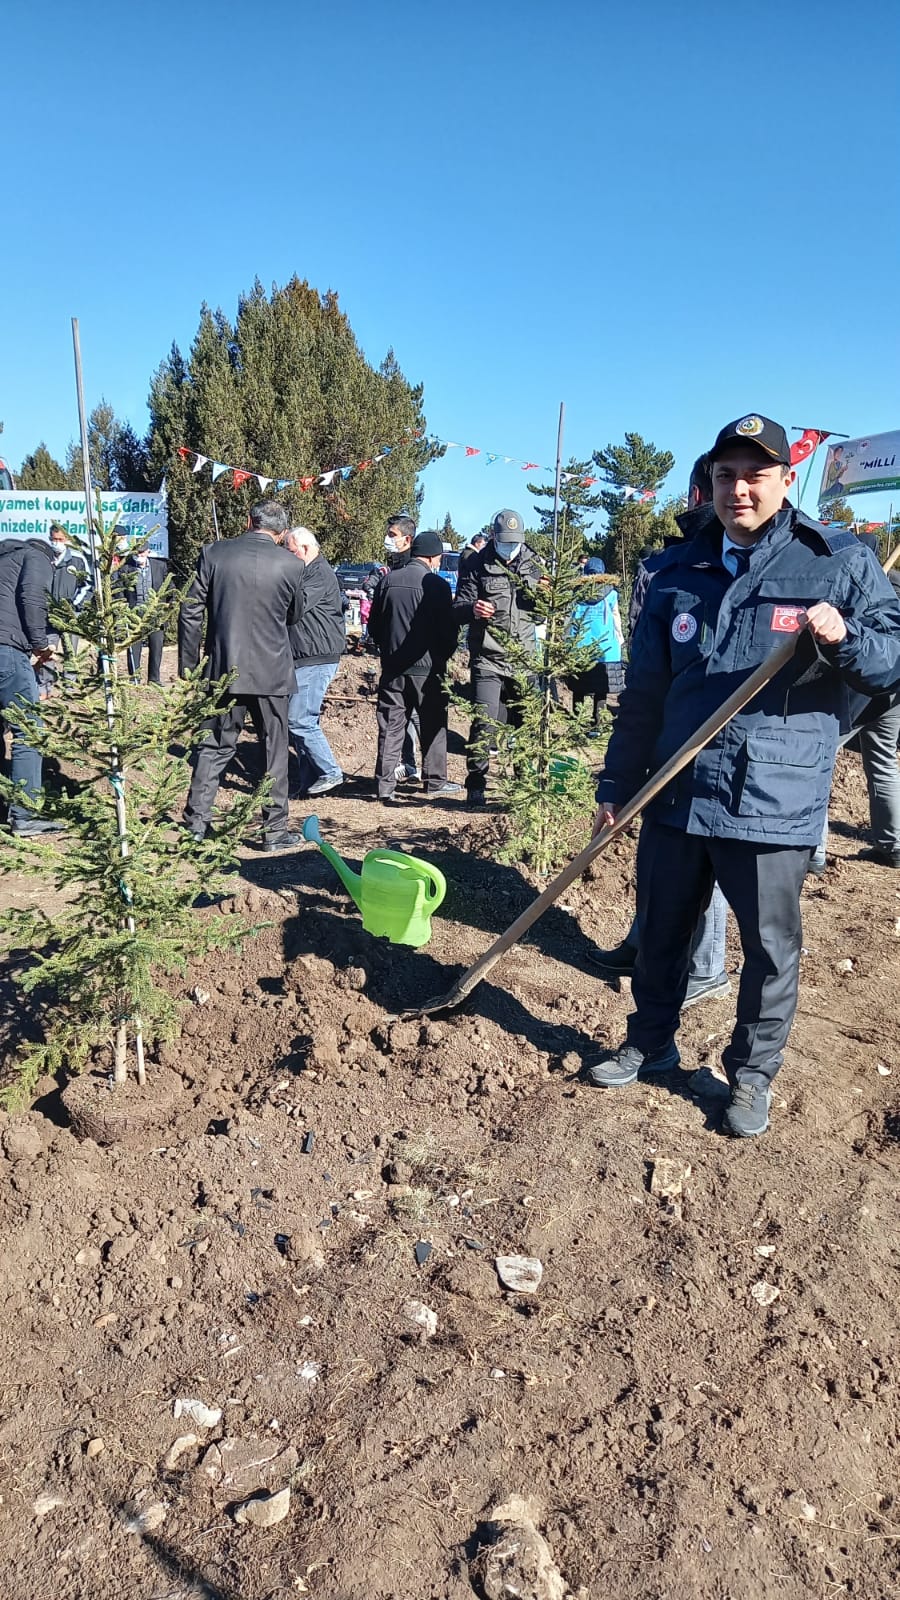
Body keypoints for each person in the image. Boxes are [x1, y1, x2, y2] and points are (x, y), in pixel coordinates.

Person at [586, 413, 900, 1139]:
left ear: (786, 481)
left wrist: (845, 636)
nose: (739, 490)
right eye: (726, 475)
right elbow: (644, 695)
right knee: (662, 930)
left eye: (755, 474)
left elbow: (890, 660)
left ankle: (750, 1075)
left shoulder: (839, 561)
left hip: (772, 797)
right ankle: (651, 1041)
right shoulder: (674, 569)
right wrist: (616, 785)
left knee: (768, 949)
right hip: (675, 786)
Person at [589, 454, 732, 1007]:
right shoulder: (667, 564)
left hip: (707, 735)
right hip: (660, 721)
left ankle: (706, 966)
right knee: (659, 847)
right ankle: (644, 943)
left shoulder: (721, 565)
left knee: (707, 848)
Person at [178, 500, 305, 851]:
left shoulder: (214, 554)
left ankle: (195, 825)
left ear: (248, 520)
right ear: (281, 534)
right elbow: (295, 615)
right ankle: (274, 831)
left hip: (223, 669)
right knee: (274, 751)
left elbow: (189, 612)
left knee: (213, 747)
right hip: (273, 672)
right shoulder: (292, 565)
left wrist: (190, 666)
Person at [811, 531, 900, 870]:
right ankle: (893, 844)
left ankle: (813, 853)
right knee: (883, 761)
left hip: (860, 693)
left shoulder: (854, 587)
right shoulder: (889, 582)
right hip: (893, 693)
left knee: (817, 756)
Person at [453, 508, 545, 807]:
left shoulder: (533, 565)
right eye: (505, 541)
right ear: (494, 537)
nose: (510, 547)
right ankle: (476, 784)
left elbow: (543, 613)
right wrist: (473, 610)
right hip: (488, 659)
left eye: (515, 542)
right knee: (484, 722)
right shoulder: (476, 564)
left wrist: (544, 596)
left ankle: (523, 786)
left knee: (524, 725)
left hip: (524, 660)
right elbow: (459, 607)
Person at [367, 529, 462, 804]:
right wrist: (443, 658)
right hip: (428, 670)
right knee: (433, 725)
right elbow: (448, 631)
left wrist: (388, 651)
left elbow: (374, 625)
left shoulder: (388, 580)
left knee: (391, 726)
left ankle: (384, 785)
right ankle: (434, 781)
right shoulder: (438, 586)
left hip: (393, 668)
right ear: (435, 556)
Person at [0, 537, 64, 836]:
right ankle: (24, 813)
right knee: (30, 730)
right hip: (6, 651)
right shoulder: (36, 558)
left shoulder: (6, 560)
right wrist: (41, 645)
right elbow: (32, 598)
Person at [284, 527, 345, 798]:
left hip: (316, 656)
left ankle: (330, 771)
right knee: (299, 722)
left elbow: (295, 606)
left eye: (291, 551)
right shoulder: (309, 572)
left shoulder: (318, 573)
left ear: (306, 549)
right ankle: (307, 783)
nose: (287, 557)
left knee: (298, 719)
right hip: (303, 657)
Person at [381, 512, 421, 782]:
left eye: (392, 536)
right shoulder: (392, 566)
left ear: (407, 540)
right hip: (392, 652)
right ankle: (405, 762)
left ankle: (412, 763)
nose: (387, 540)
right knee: (400, 715)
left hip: (413, 656)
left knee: (411, 714)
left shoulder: (412, 569)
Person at [566, 558, 624, 728]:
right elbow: (616, 621)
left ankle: (577, 724)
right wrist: (619, 641)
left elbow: (570, 621)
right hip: (606, 648)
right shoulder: (612, 593)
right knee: (601, 690)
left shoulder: (576, 593)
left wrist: (567, 641)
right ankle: (596, 725)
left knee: (579, 688)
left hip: (580, 647)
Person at [38, 523, 90, 697]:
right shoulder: (43, 560)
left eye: (60, 539)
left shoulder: (77, 561)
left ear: (66, 540)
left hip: (70, 615)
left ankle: (69, 686)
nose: (57, 543)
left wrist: (74, 604)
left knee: (70, 651)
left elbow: (87, 586)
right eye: (54, 540)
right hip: (48, 615)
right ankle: (45, 685)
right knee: (48, 650)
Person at [123, 544, 169, 685]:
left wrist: (168, 604)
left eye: (142, 552)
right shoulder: (126, 568)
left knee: (156, 646)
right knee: (134, 647)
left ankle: (154, 678)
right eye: (137, 552)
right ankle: (134, 677)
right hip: (134, 613)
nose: (139, 555)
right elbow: (119, 589)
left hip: (155, 613)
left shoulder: (159, 566)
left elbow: (168, 586)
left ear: (148, 552)